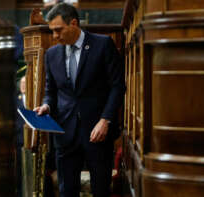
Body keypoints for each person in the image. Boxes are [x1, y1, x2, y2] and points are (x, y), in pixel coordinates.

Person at [34, 3, 125, 197]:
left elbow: (118, 87)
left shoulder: (102, 45)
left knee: (101, 190)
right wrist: (46, 105)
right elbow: (51, 90)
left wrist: (105, 120)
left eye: (58, 30)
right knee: (67, 191)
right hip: (65, 134)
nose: (55, 36)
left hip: (98, 132)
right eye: (52, 31)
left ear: (74, 23)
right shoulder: (51, 54)